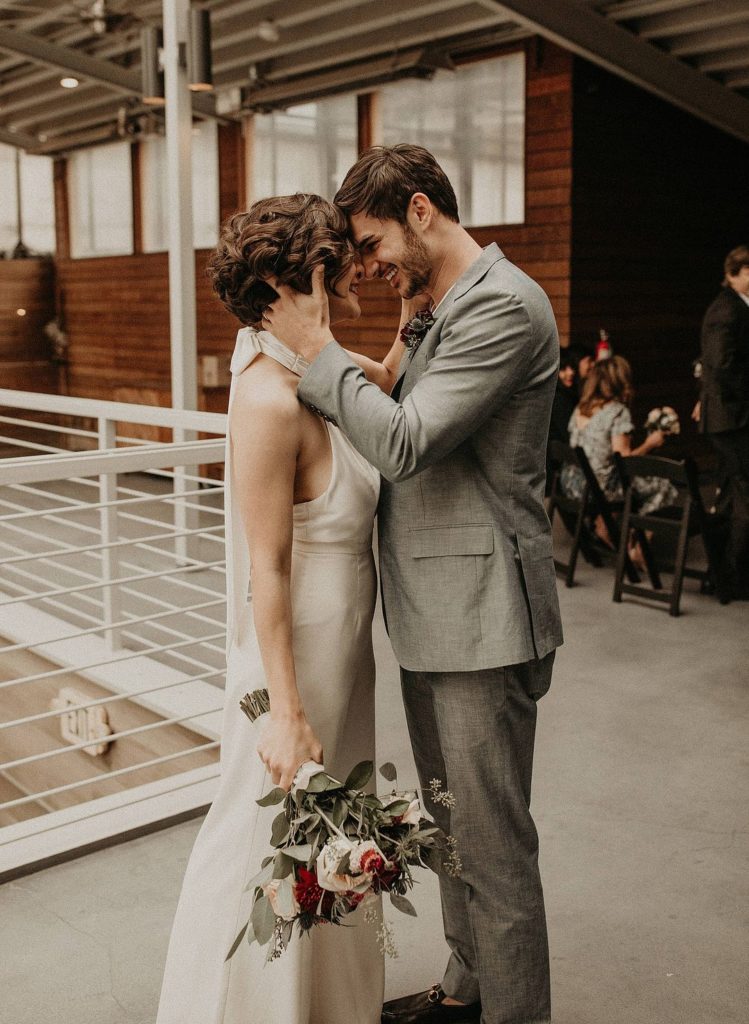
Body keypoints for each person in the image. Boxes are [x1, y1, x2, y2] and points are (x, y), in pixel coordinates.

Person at [264, 144, 563, 1024]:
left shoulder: (503, 306)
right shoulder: (440, 303)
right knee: (451, 833)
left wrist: (315, 348)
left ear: (421, 212)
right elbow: (391, 391)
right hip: (437, 615)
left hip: (484, 620)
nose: (368, 265)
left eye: (372, 243)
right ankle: (467, 993)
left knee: (495, 850)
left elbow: (401, 440)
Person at [156, 194, 405, 1024]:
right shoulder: (268, 400)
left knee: (328, 844)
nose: (350, 271)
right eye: (334, 263)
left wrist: (418, 293)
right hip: (290, 667)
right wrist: (287, 715)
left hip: (343, 660)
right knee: (261, 843)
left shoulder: (319, 369)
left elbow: (391, 387)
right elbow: (265, 569)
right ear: (284, 279)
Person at [560, 355, 676, 554]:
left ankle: (605, 523)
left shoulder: (581, 407)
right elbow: (625, 462)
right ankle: (639, 548)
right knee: (662, 487)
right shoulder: (617, 412)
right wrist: (650, 443)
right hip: (597, 489)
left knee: (615, 477)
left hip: (572, 484)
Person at [698, 244, 749, 602]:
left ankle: (721, 573)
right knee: (744, 494)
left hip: (731, 416)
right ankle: (732, 576)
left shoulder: (735, 307)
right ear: (736, 272)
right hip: (731, 418)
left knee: (733, 492)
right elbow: (721, 364)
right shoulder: (726, 310)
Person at [548, 347, 578, 444]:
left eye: (572, 367)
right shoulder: (558, 398)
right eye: (563, 368)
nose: (570, 373)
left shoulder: (567, 394)